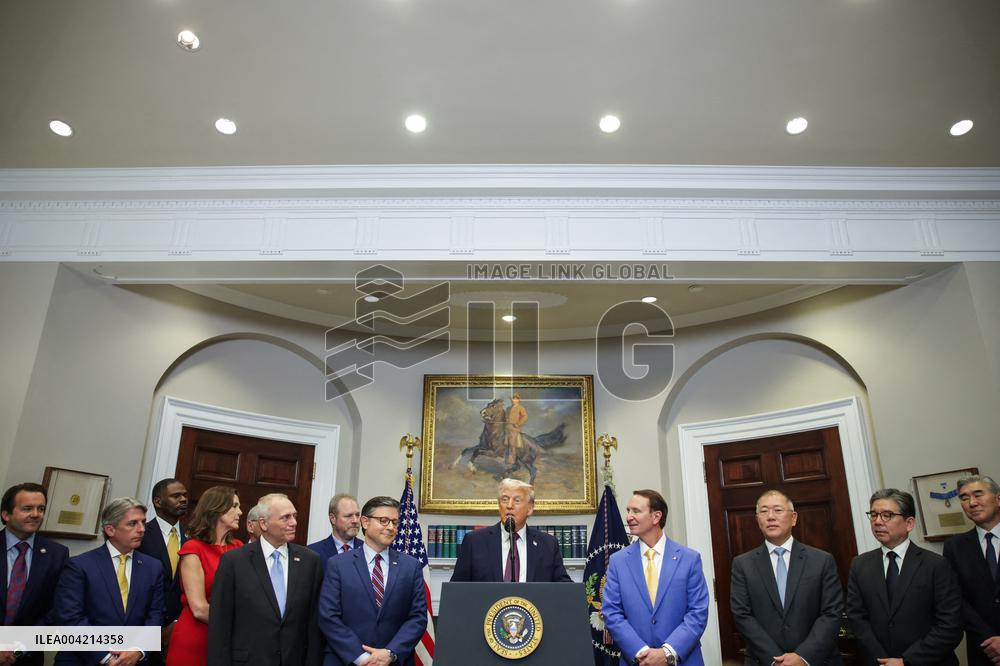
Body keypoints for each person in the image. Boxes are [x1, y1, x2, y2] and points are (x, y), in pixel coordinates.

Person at [846, 488, 963, 665]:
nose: (878, 522)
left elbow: (950, 625)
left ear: (909, 523)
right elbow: (857, 619)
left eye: (887, 515)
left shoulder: (936, 565)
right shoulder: (860, 564)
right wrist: (882, 660)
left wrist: (906, 661)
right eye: (873, 515)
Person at [207, 493, 323, 666]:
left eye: (294, 516)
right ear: (263, 523)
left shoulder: (310, 561)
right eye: (286, 517)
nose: (294, 522)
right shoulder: (234, 561)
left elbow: (314, 624)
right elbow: (220, 624)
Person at [730, 489, 843, 666]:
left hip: (817, 660)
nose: (770, 516)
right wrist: (774, 659)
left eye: (777, 510)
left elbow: (831, 613)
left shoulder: (822, 561)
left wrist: (803, 656)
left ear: (794, 518)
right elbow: (742, 615)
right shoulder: (742, 564)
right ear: (757, 520)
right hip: (763, 661)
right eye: (764, 511)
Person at [602, 489, 709, 666]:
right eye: (628, 511)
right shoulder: (618, 561)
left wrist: (667, 653)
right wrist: (641, 653)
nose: (629, 517)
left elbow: (697, 613)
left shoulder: (689, 559)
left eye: (636, 511)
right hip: (637, 661)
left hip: (682, 660)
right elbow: (611, 613)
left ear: (656, 516)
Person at [54, 497, 165, 666]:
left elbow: (156, 614)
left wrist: (139, 650)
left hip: (134, 661)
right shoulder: (79, 565)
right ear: (110, 530)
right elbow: (71, 618)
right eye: (132, 523)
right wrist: (106, 657)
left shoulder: (153, 567)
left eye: (143, 522)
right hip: (83, 660)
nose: (142, 529)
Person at [318, 496, 428, 666]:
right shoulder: (338, 564)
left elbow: (418, 617)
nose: (391, 527)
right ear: (365, 522)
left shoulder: (411, 566)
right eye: (384, 521)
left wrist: (390, 653)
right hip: (346, 660)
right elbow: (329, 616)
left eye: (394, 522)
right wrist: (362, 658)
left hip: (394, 661)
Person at [166, 486, 243, 666]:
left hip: (230, 642)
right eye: (234, 506)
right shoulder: (193, 549)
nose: (240, 512)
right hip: (196, 637)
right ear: (216, 510)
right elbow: (199, 608)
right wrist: (241, 625)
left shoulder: (239, 548)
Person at [450, 478, 571, 582]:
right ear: (499, 505)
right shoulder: (474, 541)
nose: (509, 505)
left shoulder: (548, 544)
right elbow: (457, 590)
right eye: (504, 499)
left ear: (530, 508)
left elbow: (563, 588)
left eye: (517, 500)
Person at [1, 482, 69, 666]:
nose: (36, 514)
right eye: (27, 508)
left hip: (27, 657)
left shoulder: (57, 554)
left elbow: (57, 608)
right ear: (6, 514)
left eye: (41, 508)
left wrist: (20, 648)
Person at [943, 474, 1000, 666]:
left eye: (978, 494)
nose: (971, 503)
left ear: (998, 499)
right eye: (964, 498)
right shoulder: (955, 547)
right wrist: (989, 640)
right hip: (983, 649)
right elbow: (955, 598)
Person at [136, 478, 189, 665]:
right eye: (176, 496)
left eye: (184, 495)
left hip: (181, 627)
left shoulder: (194, 536)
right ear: (158, 502)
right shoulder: (140, 535)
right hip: (143, 626)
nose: (183, 499)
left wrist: (176, 623)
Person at [308, 494, 363, 562]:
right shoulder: (313, 552)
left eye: (357, 515)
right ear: (333, 518)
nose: (355, 520)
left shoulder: (367, 550)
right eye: (348, 516)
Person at [504, 394, 528, 464]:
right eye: (513, 399)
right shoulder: (508, 408)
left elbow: (525, 417)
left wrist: (518, 424)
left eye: (516, 399)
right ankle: (504, 457)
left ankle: (512, 459)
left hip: (515, 428)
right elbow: (505, 418)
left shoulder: (521, 408)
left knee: (512, 442)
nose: (514, 400)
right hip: (507, 427)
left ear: (518, 400)